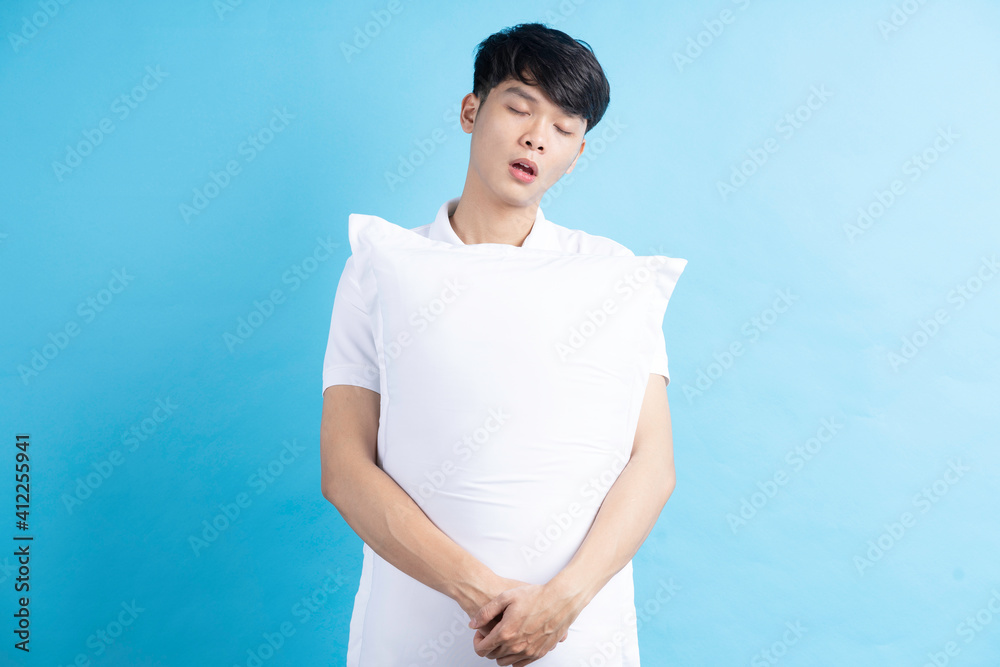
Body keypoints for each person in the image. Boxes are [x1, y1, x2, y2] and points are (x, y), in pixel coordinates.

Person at [320, 22, 677, 666]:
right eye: (519, 107)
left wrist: (562, 602)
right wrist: (483, 595)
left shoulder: (611, 273)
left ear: (578, 152)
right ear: (470, 111)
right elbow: (345, 468)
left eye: (565, 128)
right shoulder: (383, 266)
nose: (538, 136)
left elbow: (652, 464)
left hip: (579, 629)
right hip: (415, 629)